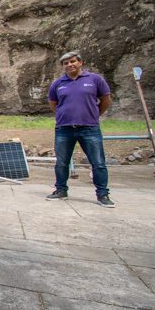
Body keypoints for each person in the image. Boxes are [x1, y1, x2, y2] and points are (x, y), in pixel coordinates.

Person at [46, 50, 114, 207]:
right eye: (66, 63)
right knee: (61, 162)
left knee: (98, 163)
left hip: (89, 128)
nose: (70, 65)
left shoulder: (95, 79)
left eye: (73, 61)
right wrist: (64, 115)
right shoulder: (58, 83)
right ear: (63, 66)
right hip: (64, 129)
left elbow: (105, 99)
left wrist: (93, 115)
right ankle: (61, 190)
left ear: (80, 62)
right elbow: (53, 103)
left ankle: (103, 195)